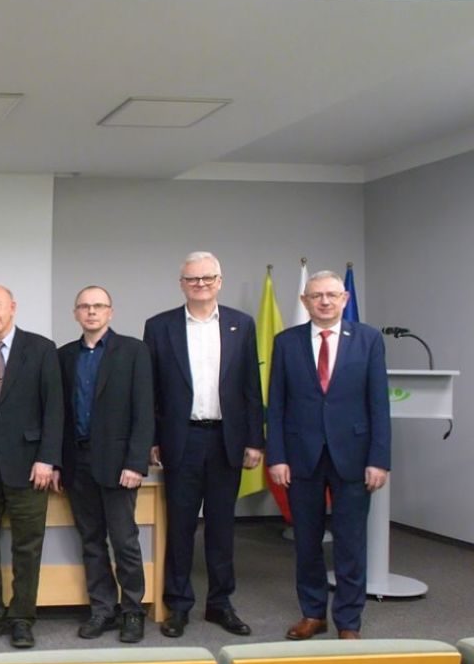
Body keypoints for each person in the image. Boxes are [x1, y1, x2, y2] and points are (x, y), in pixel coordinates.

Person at [143, 252, 264, 638]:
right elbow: (151, 390)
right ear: (182, 284)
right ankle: (178, 604)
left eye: (207, 278)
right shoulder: (159, 326)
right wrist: (152, 439)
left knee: (222, 526)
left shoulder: (241, 324)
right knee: (180, 526)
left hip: (227, 438)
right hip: (182, 439)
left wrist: (255, 440)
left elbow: (250, 385)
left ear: (219, 281)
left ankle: (220, 603)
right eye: (192, 279)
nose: (200, 284)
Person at [267, 270, 390, 640]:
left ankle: (349, 621)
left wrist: (379, 459)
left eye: (331, 295)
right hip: (300, 457)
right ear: (304, 301)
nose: (324, 301)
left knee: (350, 543)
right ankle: (313, 613)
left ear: (344, 299)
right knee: (307, 541)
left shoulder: (368, 339)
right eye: (316, 295)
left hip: (354, 456)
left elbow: (378, 403)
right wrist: (277, 456)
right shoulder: (286, 342)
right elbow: (277, 403)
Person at [0, 284, 62, 649]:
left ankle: (21, 618)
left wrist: (47, 458)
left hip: (30, 466)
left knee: (27, 547)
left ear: (12, 307)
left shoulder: (41, 349)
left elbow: (54, 408)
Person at [57, 285, 154, 644]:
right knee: (91, 540)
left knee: (124, 540)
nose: (91, 312)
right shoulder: (64, 356)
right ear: (76, 314)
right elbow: (60, 414)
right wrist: (58, 463)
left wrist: (136, 462)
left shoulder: (133, 351)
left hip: (118, 464)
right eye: (84, 306)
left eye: (98, 306)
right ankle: (103, 609)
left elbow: (144, 410)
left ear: (110, 312)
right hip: (77, 462)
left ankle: (133, 610)